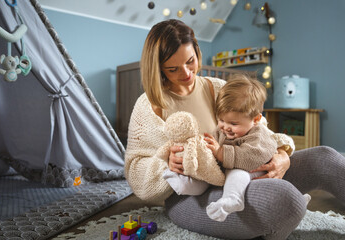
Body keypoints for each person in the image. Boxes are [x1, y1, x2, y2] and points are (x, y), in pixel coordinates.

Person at [125, 19, 345, 240]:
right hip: (193, 195)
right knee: (286, 200)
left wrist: (281, 154)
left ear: (197, 52)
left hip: (244, 170)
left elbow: (259, 129)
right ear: (158, 68)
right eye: (173, 69)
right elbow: (135, 169)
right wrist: (166, 164)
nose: (186, 73)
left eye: (190, 61)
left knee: (326, 159)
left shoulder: (218, 88)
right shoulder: (148, 106)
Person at [203, 75, 310, 222]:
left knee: (236, 173)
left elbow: (250, 157)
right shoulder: (222, 130)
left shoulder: (259, 134)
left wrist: (220, 152)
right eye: (221, 120)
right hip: (248, 175)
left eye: (233, 123)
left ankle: (233, 199)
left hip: (257, 169)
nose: (225, 127)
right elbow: (214, 142)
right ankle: (297, 201)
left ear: (256, 120)